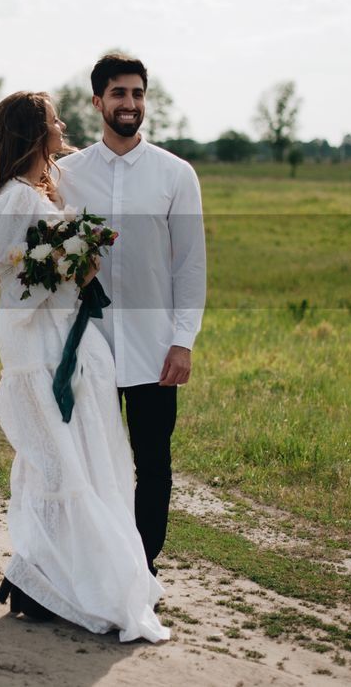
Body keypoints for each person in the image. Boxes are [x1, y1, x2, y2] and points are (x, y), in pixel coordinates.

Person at [0, 90, 169, 643]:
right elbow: (12, 280)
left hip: (71, 344)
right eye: (54, 119)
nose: (62, 124)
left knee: (77, 462)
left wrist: (74, 257)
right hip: (47, 352)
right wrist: (70, 264)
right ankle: (47, 577)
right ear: (36, 133)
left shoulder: (37, 191)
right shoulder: (17, 200)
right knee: (56, 466)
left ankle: (43, 577)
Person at [56, 53, 207, 577]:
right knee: (95, 463)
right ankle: (97, 562)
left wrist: (183, 340)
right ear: (98, 102)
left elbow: (190, 265)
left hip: (153, 349)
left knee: (154, 465)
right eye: (119, 94)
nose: (130, 103)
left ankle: (141, 566)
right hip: (88, 348)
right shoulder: (65, 176)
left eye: (138, 93)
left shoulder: (175, 174)